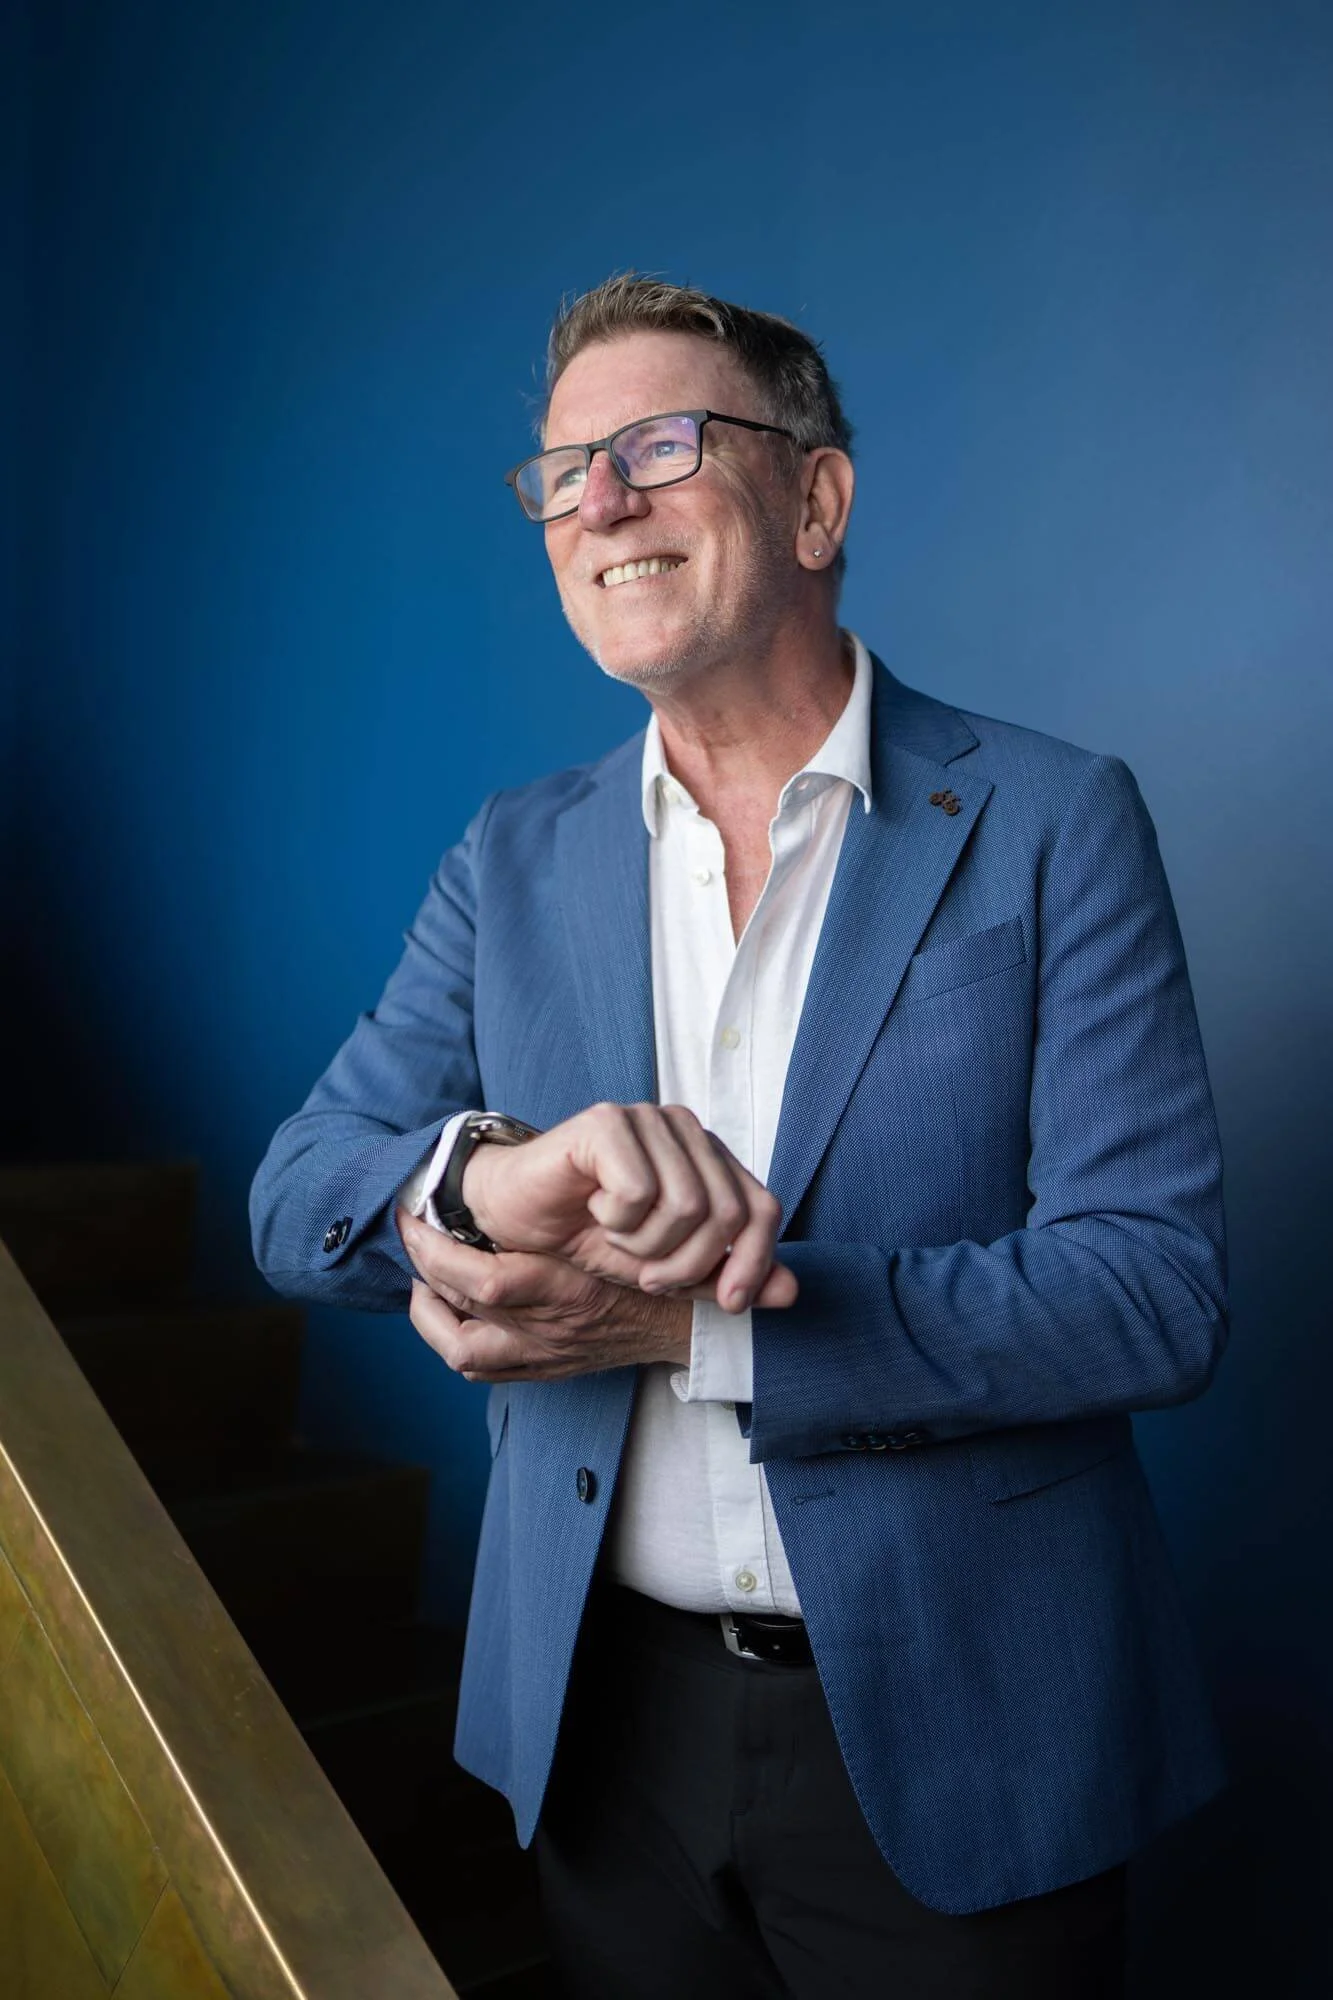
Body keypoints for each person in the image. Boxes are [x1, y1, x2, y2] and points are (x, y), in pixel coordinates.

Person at [250, 274, 1228, 1999]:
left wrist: (699, 1330)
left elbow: (1149, 1291)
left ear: (815, 498)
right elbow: (298, 1195)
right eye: (562, 473)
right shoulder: (515, 851)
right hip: (604, 1732)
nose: (600, 502)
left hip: (963, 1734)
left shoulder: (1056, 819)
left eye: (659, 446)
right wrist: (484, 1177)